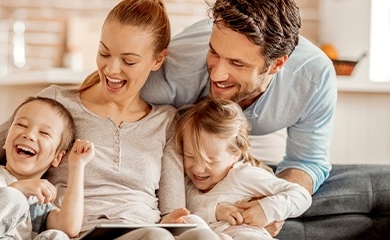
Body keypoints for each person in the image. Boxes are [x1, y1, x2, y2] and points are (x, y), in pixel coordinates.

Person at [0, 1, 218, 239]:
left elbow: (171, 209)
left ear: (157, 60)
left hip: (144, 229)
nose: (112, 70)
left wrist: (183, 220)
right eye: (104, 53)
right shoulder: (55, 105)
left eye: (128, 61)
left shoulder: (166, 121)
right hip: (77, 232)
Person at [141, 1, 334, 235]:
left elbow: (306, 161)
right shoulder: (173, 70)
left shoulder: (314, 78)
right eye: (214, 52)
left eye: (237, 63)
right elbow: (109, 96)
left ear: (277, 64)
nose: (217, 73)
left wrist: (271, 207)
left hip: (236, 152)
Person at [0, 96, 95, 239]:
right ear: (5, 140)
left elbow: (69, 227)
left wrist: (77, 166)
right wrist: (17, 189)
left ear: (57, 158)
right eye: (21, 125)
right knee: (13, 197)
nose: (29, 135)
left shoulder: (39, 200)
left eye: (44, 133)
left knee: (58, 236)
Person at [175, 97, 312, 239]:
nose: (197, 169)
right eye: (190, 156)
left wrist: (266, 209)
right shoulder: (185, 184)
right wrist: (215, 212)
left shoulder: (242, 175)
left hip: (247, 236)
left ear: (236, 154)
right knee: (191, 221)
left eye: (210, 160)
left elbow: (301, 195)